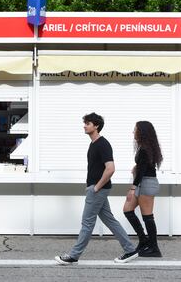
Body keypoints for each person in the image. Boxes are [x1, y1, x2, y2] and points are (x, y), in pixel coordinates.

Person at [55, 112, 138, 265]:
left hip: (98, 190)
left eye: (88, 123)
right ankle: (130, 249)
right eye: (85, 123)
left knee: (87, 223)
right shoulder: (93, 144)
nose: (84, 125)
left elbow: (111, 168)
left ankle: (74, 255)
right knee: (110, 220)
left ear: (96, 126)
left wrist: (96, 187)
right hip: (98, 189)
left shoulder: (102, 144)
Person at [123, 121, 163, 257]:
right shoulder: (144, 147)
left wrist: (132, 189)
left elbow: (143, 171)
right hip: (143, 183)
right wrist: (137, 167)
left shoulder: (145, 149)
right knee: (127, 210)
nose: (133, 132)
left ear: (142, 132)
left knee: (147, 217)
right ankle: (144, 240)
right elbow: (142, 167)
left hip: (146, 184)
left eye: (135, 130)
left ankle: (154, 248)